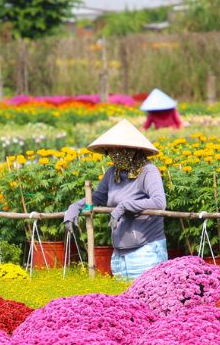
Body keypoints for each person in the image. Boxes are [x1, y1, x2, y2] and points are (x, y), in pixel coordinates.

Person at [63, 119, 168, 280]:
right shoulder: (113, 172)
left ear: (131, 150)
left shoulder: (148, 171)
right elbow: (97, 197)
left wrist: (124, 206)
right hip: (119, 254)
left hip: (145, 251)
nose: (113, 156)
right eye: (109, 152)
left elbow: (159, 202)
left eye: (116, 151)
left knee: (146, 303)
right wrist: (74, 207)